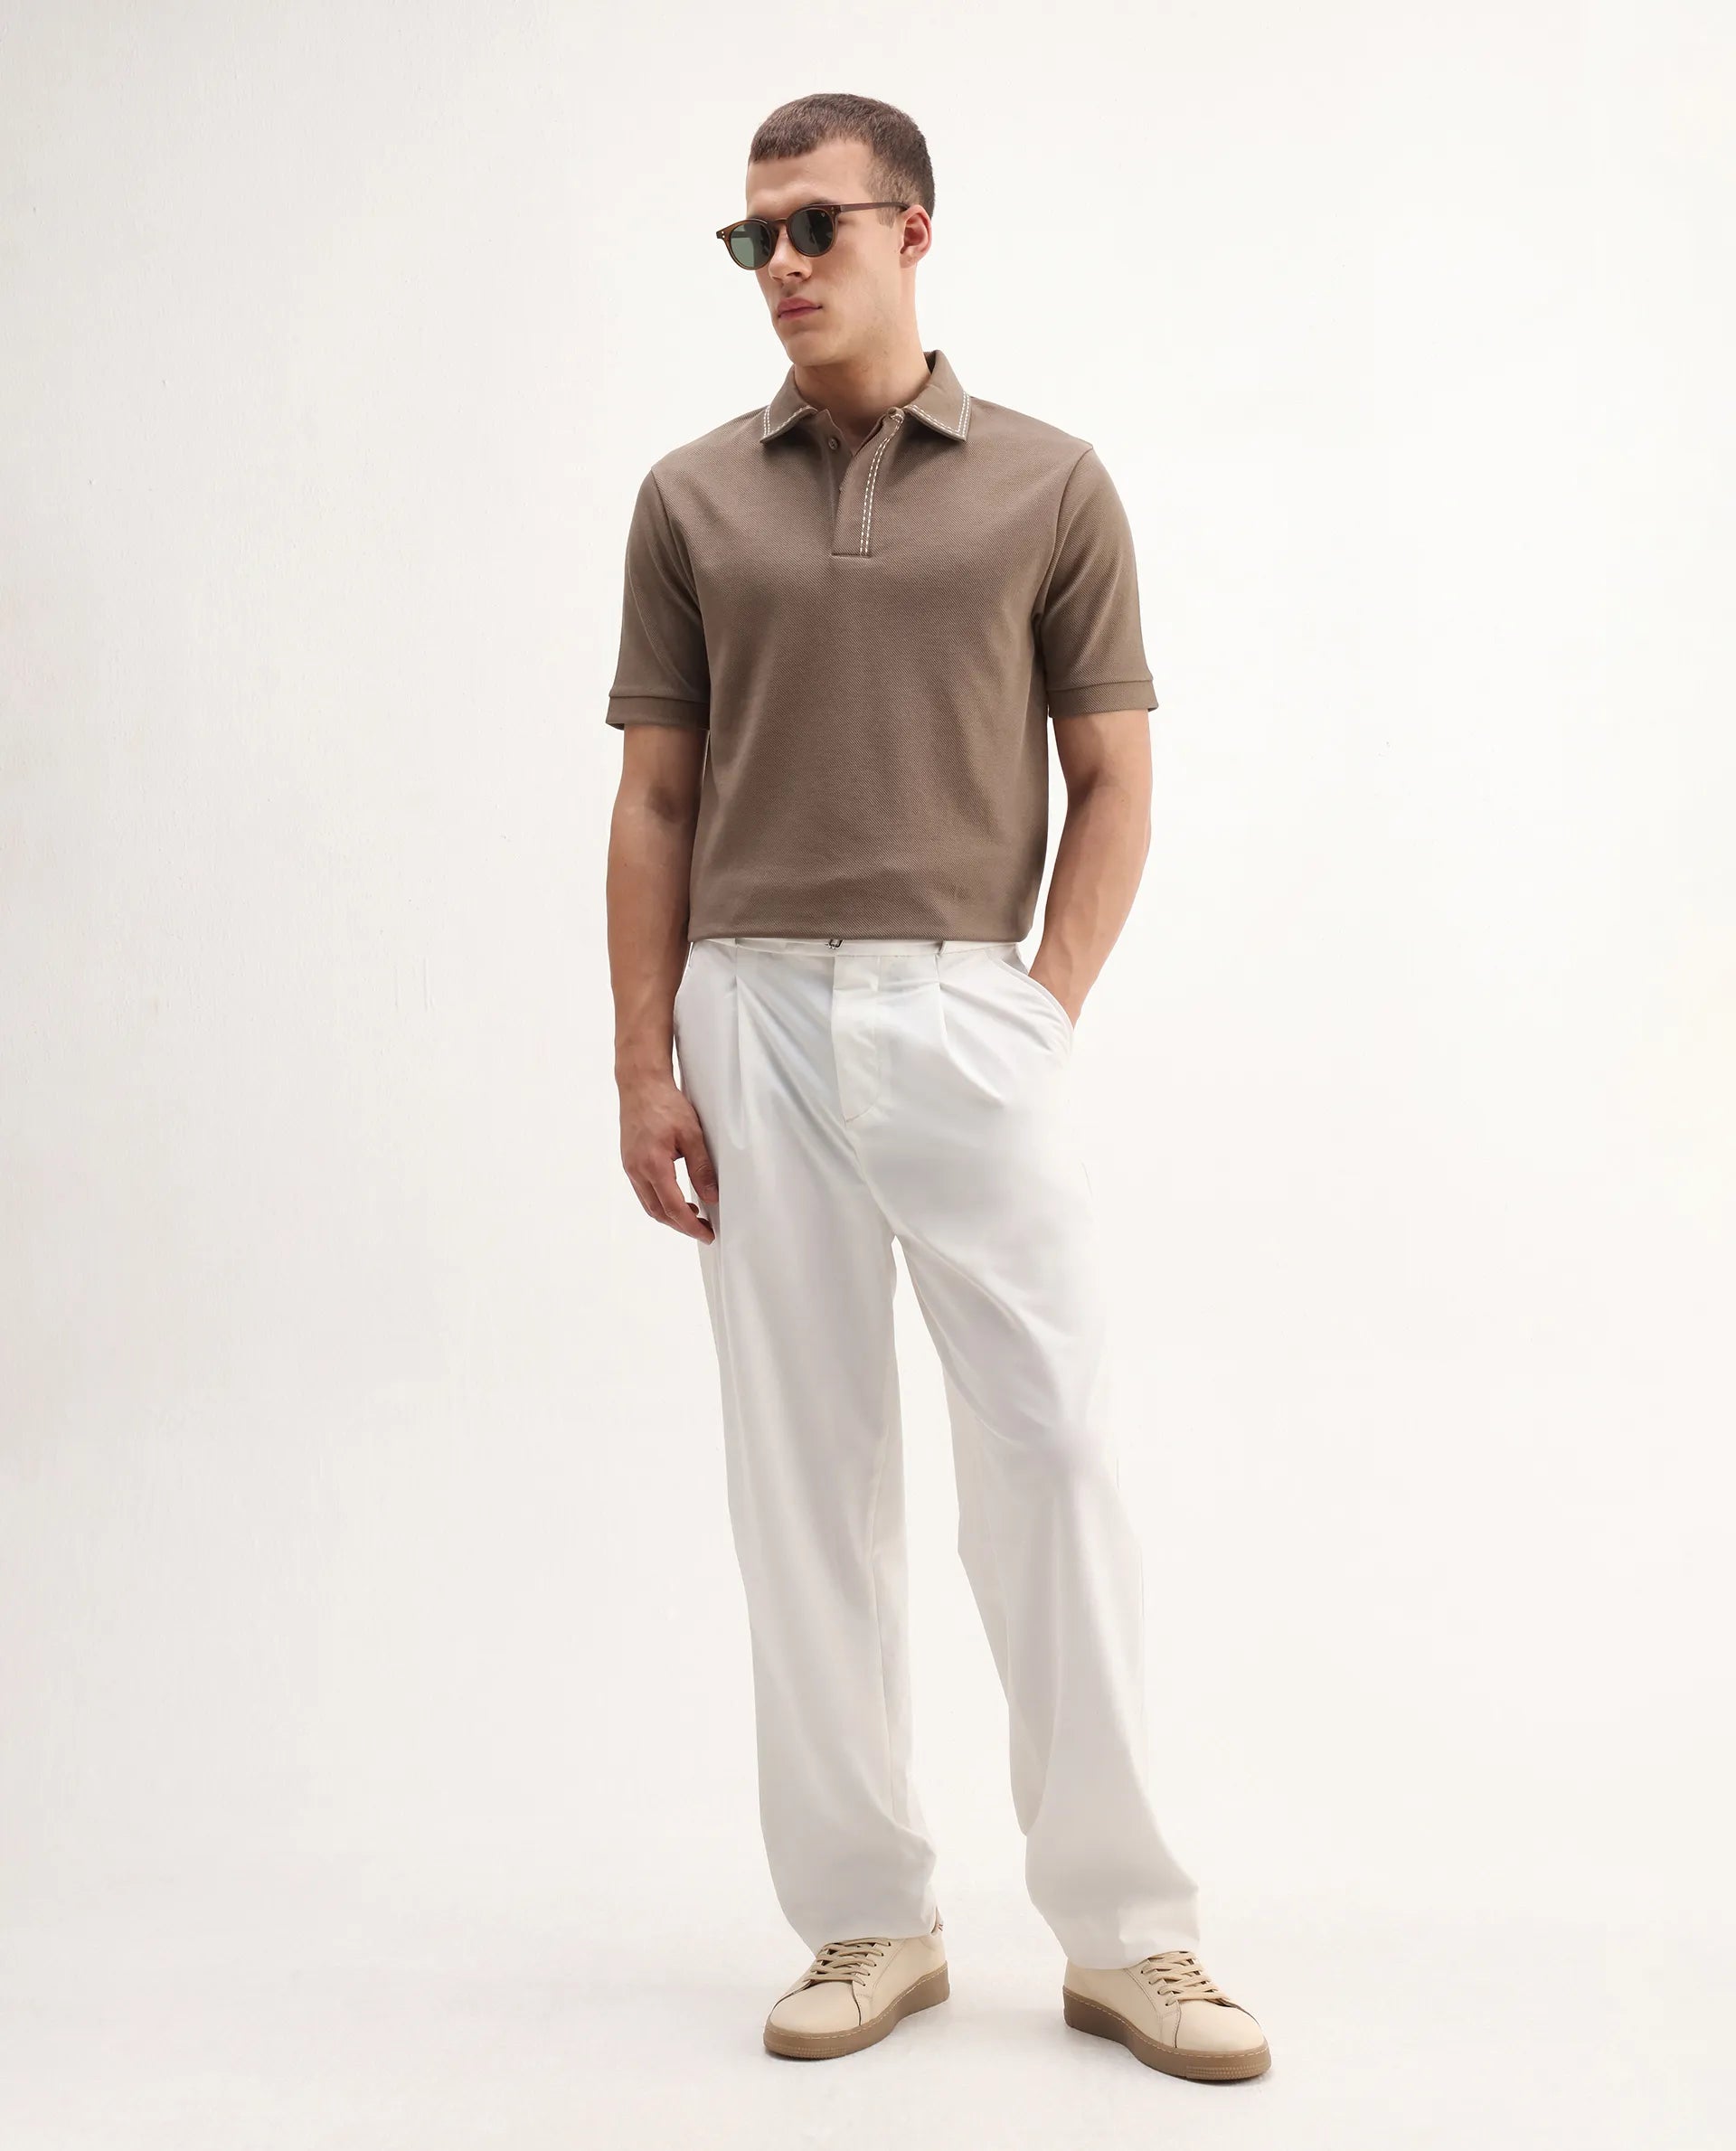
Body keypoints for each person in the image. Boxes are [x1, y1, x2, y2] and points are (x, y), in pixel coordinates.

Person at [604, 90, 1270, 2082]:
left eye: (813, 226)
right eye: (754, 238)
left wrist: (1039, 1009)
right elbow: (654, 799)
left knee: (1050, 1453)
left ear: (912, 232)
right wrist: (643, 1057)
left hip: (968, 1006)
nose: (780, 266)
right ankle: (867, 1918)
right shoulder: (692, 497)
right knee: (804, 1481)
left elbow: (1116, 775)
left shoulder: (1051, 483)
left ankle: (1132, 1935)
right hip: (752, 1013)